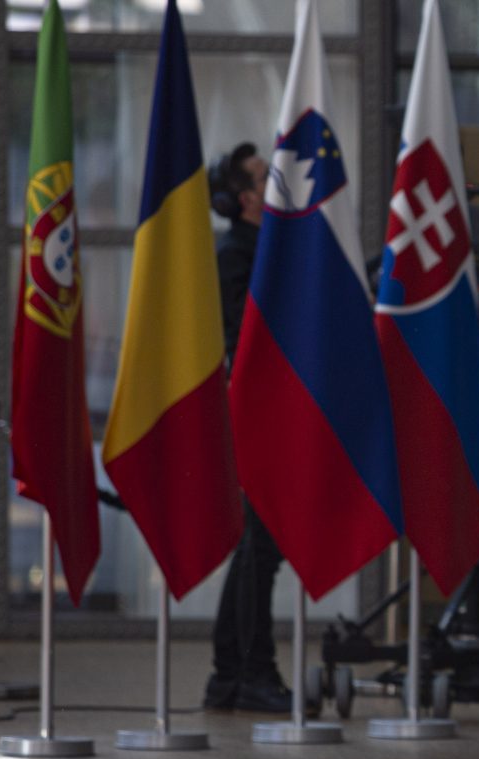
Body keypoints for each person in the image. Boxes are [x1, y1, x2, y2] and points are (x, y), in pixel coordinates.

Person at [202, 142, 290, 714]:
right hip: (257, 412)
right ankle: (244, 670)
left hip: (275, 410)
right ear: (246, 198)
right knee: (261, 543)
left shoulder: (273, 251)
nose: (278, 183)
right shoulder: (239, 255)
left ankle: (233, 671)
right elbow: (242, 343)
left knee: (263, 545)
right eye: (266, 177)